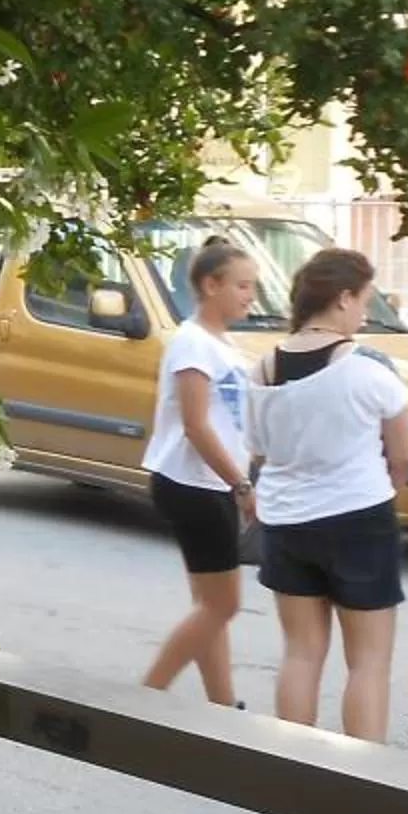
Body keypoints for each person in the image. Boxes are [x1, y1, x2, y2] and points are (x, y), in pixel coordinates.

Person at [251, 248, 408, 740]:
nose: (364, 312)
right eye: (364, 300)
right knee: (368, 661)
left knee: (300, 653)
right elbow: (402, 455)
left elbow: (258, 449)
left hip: (285, 520)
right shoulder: (368, 369)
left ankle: (294, 764)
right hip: (359, 518)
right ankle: (362, 771)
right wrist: (386, 487)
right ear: (343, 298)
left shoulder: (263, 369)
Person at [140, 238, 262, 706]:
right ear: (211, 285)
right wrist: (241, 483)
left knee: (211, 605)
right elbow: (195, 425)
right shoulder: (192, 342)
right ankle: (147, 696)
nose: (251, 295)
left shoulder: (220, 343)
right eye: (242, 286)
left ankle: (222, 706)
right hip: (193, 484)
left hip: (210, 484)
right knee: (223, 604)